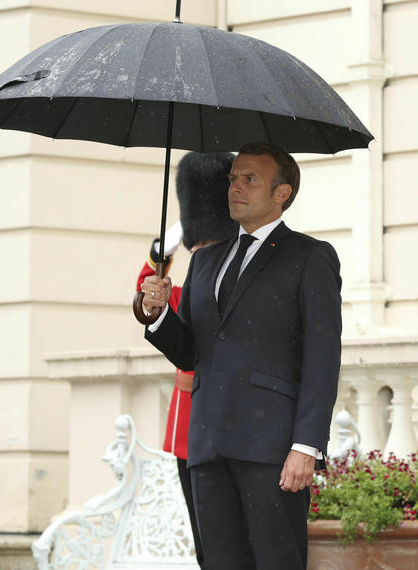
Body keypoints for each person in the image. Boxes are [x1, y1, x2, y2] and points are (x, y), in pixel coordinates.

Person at [139, 142, 342, 569]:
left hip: (272, 449)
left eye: (250, 179)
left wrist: (306, 447)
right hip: (208, 446)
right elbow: (193, 352)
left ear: (282, 192)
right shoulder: (205, 261)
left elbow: (322, 361)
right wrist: (157, 315)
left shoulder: (310, 256)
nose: (236, 188)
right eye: (234, 179)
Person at [135, 151, 237, 568]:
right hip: (189, 424)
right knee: (206, 542)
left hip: (234, 418)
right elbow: (150, 303)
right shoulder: (189, 273)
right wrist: (161, 254)